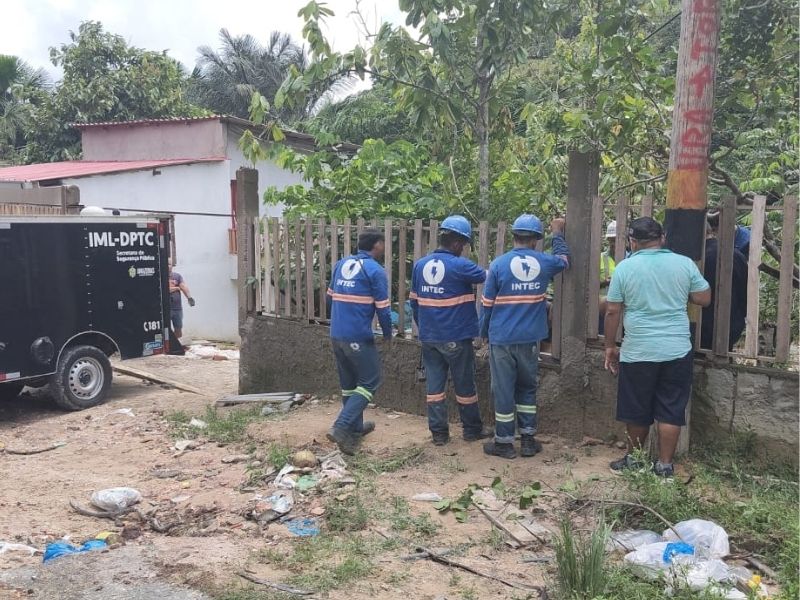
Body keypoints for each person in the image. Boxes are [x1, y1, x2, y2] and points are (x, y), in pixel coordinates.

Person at [604, 217, 711, 478]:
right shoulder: (683, 263)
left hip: (639, 349)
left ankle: (635, 460)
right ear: (662, 238)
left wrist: (609, 346)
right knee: (671, 409)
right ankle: (664, 465)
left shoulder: (625, 268)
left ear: (632, 241)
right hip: (676, 348)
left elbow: (612, 310)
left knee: (637, 408)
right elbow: (703, 298)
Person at [480, 215, 570, 459]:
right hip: (530, 340)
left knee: (503, 390)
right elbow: (564, 261)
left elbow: (487, 305)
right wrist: (558, 234)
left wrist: (483, 334)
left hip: (501, 339)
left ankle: (505, 443)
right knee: (527, 389)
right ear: (536, 240)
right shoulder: (544, 262)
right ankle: (528, 440)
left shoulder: (498, 265)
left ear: (514, 236)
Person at [410, 215, 493, 446]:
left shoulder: (420, 265)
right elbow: (489, 276)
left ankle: (439, 434)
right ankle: (471, 430)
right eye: (464, 245)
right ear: (457, 243)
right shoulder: (461, 265)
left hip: (429, 337)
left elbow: (414, 303)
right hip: (455, 336)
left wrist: (424, 327)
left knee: (434, 387)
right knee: (465, 385)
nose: (463, 250)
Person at [326, 228, 392, 455]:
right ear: (376, 245)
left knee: (349, 384)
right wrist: (387, 333)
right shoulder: (375, 270)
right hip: (358, 336)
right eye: (383, 243)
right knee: (370, 382)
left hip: (337, 333)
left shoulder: (341, 264)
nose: (384, 247)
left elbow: (329, 297)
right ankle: (341, 426)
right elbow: (383, 309)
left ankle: (354, 429)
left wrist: (336, 321)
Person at [700, 222, 748, 351]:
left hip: (700, 330)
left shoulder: (697, 258)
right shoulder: (737, 255)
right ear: (712, 231)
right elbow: (746, 295)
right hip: (730, 327)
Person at [599, 221, 618, 334]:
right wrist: (604, 282)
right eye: (611, 239)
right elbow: (589, 284)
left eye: (616, 239)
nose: (613, 243)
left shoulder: (630, 258)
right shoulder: (600, 257)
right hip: (603, 308)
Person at [168, 260, 195, 340]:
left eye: (169, 264)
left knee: (178, 327)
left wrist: (189, 298)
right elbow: (164, 290)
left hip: (177, 308)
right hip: (166, 308)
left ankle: (178, 344)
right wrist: (176, 288)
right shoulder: (160, 276)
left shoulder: (177, 276)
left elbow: (183, 286)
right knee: (166, 329)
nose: (168, 266)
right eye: (166, 264)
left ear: (172, 265)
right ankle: (168, 345)